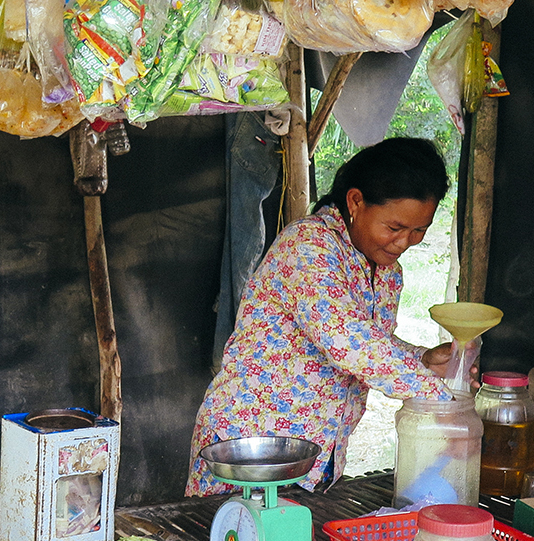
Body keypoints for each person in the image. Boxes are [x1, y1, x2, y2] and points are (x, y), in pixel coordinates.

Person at [187, 137, 459, 495]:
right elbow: (345, 340)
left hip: (313, 458)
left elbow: (369, 340)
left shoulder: (386, 271)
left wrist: (420, 359)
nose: (403, 242)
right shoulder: (309, 245)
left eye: (419, 231)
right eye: (394, 228)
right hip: (251, 447)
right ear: (356, 202)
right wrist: (442, 402)